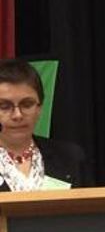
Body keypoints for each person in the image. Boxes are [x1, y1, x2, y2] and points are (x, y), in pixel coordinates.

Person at [0, 58, 86, 191]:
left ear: (39, 108)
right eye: (5, 106)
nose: (17, 115)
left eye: (27, 104)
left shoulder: (69, 157)